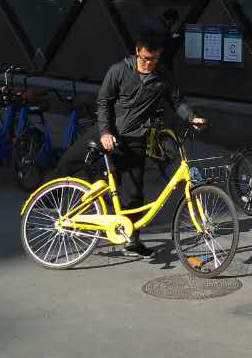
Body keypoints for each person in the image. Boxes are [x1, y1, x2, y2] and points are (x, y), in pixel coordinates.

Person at [56, 27, 205, 257]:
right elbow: (103, 102)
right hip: (105, 133)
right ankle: (52, 210)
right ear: (137, 52)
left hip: (135, 140)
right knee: (69, 163)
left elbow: (177, 101)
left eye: (154, 59)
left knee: (134, 195)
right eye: (145, 59)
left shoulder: (162, 77)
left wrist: (191, 117)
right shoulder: (118, 71)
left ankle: (131, 241)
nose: (149, 64)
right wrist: (105, 132)